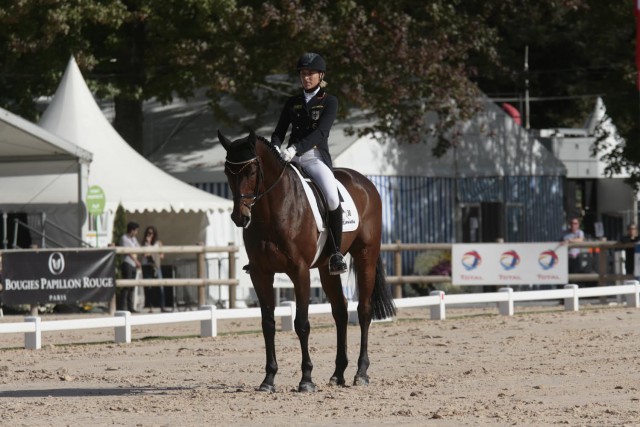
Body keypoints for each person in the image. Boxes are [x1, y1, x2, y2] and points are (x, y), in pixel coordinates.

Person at [271, 52, 347, 275]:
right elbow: (278, 132)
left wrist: (295, 148)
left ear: (320, 75)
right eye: (303, 74)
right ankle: (262, 251)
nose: (306, 78)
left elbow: (321, 133)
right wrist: (276, 147)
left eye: (310, 74)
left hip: (314, 157)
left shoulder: (329, 101)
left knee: (332, 197)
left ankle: (335, 252)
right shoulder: (292, 103)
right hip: (290, 159)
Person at [141, 225, 167, 312]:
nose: (150, 235)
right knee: (149, 287)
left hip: (156, 266)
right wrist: (148, 243)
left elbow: (162, 255)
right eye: (148, 233)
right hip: (147, 265)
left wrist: (156, 254)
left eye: (151, 233)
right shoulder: (144, 243)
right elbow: (144, 254)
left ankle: (162, 306)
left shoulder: (158, 243)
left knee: (160, 286)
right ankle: (150, 307)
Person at [118, 221, 141, 312]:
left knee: (132, 286)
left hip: (133, 264)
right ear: (132, 230)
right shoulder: (124, 238)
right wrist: (136, 261)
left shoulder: (133, 239)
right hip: (127, 263)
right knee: (126, 285)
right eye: (136, 231)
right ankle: (123, 306)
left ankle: (130, 306)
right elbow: (128, 251)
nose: (137, 233)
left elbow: (138, 247)